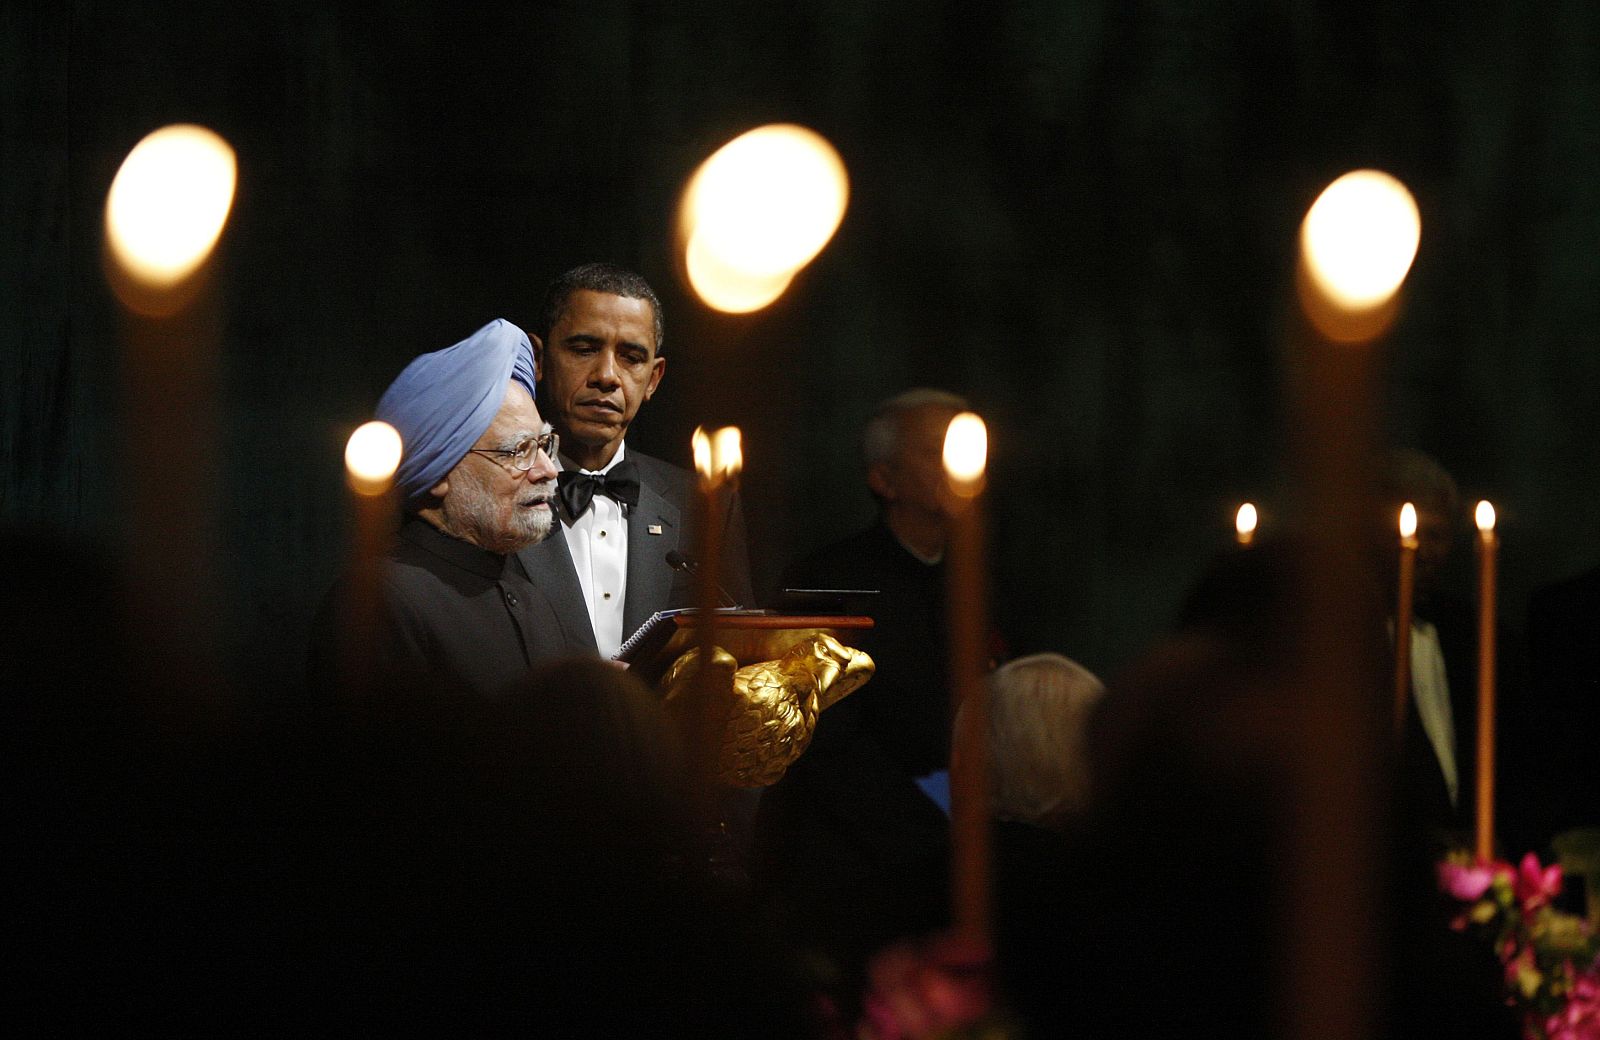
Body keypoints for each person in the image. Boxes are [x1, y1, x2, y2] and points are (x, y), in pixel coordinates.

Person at [309, 318, 594, 696]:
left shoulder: (532, 598)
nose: (547, 470)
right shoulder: (376, 605)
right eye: (518, 450)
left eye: (543, 445)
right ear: (441, 471)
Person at [517, 263, 753, 661]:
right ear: (539, 360)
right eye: (584, 348)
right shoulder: (492, 490)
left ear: (654, 379)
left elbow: (739, 650)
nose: (607, 376)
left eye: (631, 357)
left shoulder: (706, 504)